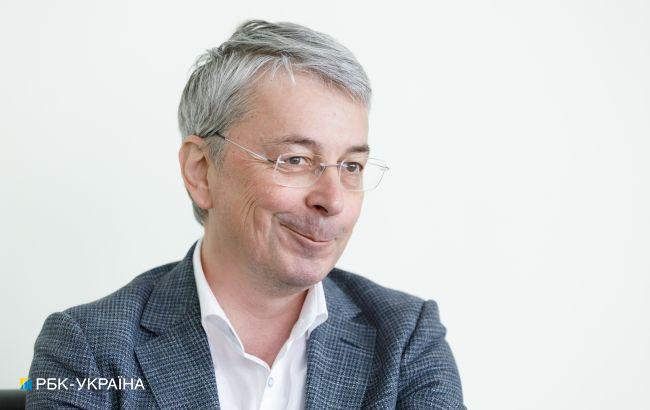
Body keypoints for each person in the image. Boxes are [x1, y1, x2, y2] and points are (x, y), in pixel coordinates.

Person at [27, 20, 465, 409]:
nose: (333, 200)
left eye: (351, 166)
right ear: (201, 171)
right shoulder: (87, 348)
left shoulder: (406, 339)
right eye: (295, 160)